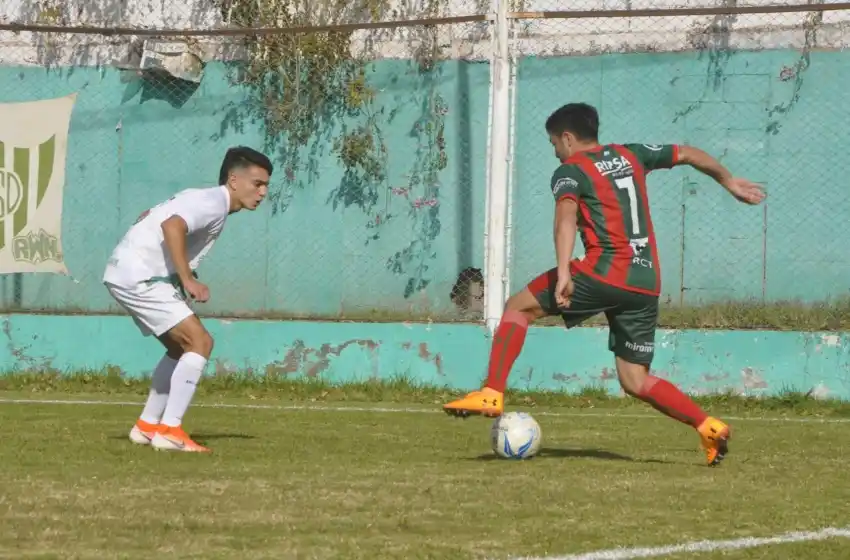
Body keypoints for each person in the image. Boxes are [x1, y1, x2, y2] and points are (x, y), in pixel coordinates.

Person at [443, 103, 766, 466]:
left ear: (567, 138)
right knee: (635, 380)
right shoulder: (632, 154)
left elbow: (565, 217)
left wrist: (565, 271)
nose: (554, 151)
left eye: (554, 143)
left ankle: (492, 391)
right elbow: (688, 153)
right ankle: (708, 426)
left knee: (518, 307)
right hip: (645, 280)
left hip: (604, 271)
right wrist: (728, 181)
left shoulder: (570, 170)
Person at [103, 146, 273, 453]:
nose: (262, 192)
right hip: (140, 274)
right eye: (257, 183)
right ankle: (170, 431)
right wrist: (187, 279)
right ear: (234, 180)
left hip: (127, 272)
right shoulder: (212, 202)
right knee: (200, 343)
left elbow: (163, 221)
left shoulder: (208, 200)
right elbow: (173, 225)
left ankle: (147, 426)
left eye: (266, 186)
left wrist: (178, 278)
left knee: (178, 346)